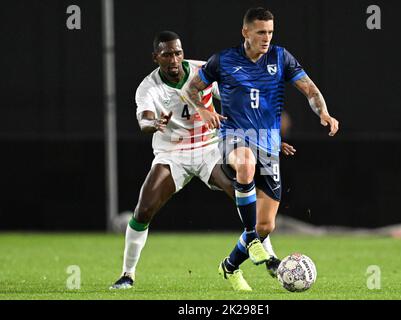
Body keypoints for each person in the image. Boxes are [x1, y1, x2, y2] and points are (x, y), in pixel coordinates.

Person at [110, 31, 293, 290]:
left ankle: (267, 256)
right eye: (167, 54)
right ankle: (128, 274)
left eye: (177, 52)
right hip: (172, 154)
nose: (174, 59)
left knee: (243, 190)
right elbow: (144, 120)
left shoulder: (201, 71)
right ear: (155, 58)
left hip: (209, 147)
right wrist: (154, 123)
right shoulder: (148, 87)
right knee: (144, 209)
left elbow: (236, 100)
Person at [183, 7, 339, 291]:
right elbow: (191, 89)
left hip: (268, 144)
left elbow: (311, 91)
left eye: (270, 32)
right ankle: (252, 239)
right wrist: (203, 110)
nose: (266, 38)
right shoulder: (224, 60)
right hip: (234, 135)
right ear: (245, 32)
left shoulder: (281, 57)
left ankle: (229, 267)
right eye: (260, 32)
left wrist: (323, 113)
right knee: (244, 164)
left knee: (266, 225)